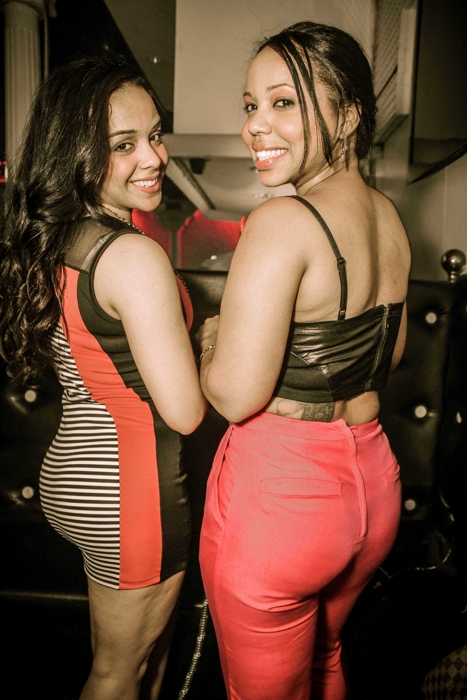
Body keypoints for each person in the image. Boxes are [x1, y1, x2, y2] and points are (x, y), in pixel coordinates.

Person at [198, 21, 411, 700]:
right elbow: (388, 357)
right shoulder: (388, 217)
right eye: (250, 105)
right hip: (373, 485)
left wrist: (211, 340)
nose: (254, 126)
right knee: (325, 660)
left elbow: (234, 395)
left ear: (347, 116)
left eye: (283, 102)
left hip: (283, 502)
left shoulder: (281, 222)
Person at [0, 54, 207, 700]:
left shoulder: (62, 239)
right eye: (124, 145)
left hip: (78, 473)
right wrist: (220, 346)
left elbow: (105, 356)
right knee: (121, 674)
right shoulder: (132, 256)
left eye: (154, 135)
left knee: (128, 665)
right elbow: (185, 412)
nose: (154, 157)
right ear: (78, 154)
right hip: (131, 489)